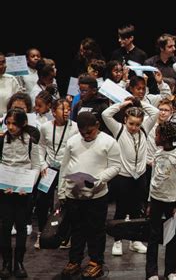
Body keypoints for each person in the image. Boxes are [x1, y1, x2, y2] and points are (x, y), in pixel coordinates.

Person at [58, 112, 120, 278]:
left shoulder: (109, 142)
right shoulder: (72, 141)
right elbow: (64, 166)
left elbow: (116, 166)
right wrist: (61, 191)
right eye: (82, 132)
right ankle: (75, 260)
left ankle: (96, 262)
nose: (85, 135)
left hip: (97, 195)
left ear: (97, 125)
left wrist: (98, 180)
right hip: (74, 194)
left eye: (89, 132)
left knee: (96, 230)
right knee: (76, 229)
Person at [102, 98, 159, 256]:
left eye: (137, 124)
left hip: (140, 176)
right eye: (131, 123)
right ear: (125, 120)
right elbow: (106, 114)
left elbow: (156, 113)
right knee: (121, 210)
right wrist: (122, 104)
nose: (134, 127)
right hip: (123, 177)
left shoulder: (144, 130)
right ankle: (118, 241)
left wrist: (140, 102)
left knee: (137, 211)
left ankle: (135, 241)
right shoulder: (119, 129)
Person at [0, 109, 40, 278]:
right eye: (8, 123)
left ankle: (19, 262)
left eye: (14, 123)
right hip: (5, 191)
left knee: (22, 227)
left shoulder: (31, 142)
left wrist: (28, 185)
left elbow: (36, 166)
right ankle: (7, 262)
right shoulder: (2, 141)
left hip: (24, 191)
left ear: (23, 124)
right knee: (5, 227)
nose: (10, 127)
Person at [36, 98, 79, 249]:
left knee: (67, 202)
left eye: (68, 109)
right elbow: (40, 146)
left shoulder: (75, 127)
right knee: (42, 201)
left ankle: (65, 236)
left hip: (67, 169)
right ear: (53, 112)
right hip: (49, 168)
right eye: (63, 109)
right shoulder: (45, 127)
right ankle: (42, 232)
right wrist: (42, 164)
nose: (67, 111)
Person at [146, 121, 176, 280]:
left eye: (157, 134)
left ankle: (170, 271)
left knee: (171, 237)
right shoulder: (157, 154)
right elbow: (153, 180)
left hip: (171, 202)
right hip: (156, 199)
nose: (155, 137)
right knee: (153, 237)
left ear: (164, 137)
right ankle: (152, 272)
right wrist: (149, 201)